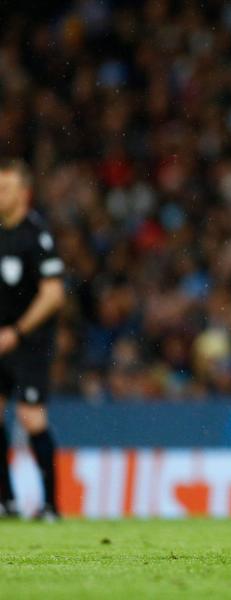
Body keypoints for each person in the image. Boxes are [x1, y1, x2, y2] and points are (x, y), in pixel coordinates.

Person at [0, 159, 66, 521]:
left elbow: (54, 294)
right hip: (1, 340)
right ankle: (7, 501)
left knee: (30, 416)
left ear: (24, 193)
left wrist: (18, 331)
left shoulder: (36, 234)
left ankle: (52, 505)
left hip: (29, 343)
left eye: (6, 188)